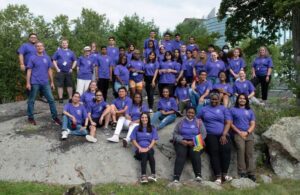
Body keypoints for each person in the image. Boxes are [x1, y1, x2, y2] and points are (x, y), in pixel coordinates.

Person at [197, 91, 232, 184]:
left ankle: (225, 174)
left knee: (226, 149)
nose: (214, 101)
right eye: (212, 99)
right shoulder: (204, 109)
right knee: (214, 151)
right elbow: (197, 119)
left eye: (216, 99)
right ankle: (218, 176)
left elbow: (228, 122)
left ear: (219, 100)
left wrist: (224, 134)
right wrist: (201, 129)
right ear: (209, 100)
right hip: (210, 134)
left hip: (223, 134)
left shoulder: (223, 109)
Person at [26, 41, 61, 126]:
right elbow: (29, 70)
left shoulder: (47, 57)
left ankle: (55, 117)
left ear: (43, 48)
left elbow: (49, 70)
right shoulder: (32, 58)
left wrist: (52, 82)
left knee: (51, 100)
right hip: (34, 82)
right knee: (31, 100)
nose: (39, 47)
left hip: (45, 82)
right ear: (36, 48)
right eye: (38, 46)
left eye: (41, 46)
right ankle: (30, 117)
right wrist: (28, 83)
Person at [172, 107, 207, 182]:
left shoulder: (199, 122)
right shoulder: (181, 122)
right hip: (182, 141)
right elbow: (175, 133)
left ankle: (198, 175)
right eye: (189, 112)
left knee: (195, 152)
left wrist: (194, 142)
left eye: (192, 113)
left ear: (195, 114)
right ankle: (176, 177)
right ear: (186, 112)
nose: (190, 114)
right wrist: (181, 140)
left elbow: (203, 134)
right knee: (181, 154)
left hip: (196, 141)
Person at [230, 94, 256, 181]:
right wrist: (239, 132)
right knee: (241, 150)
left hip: (248, 134)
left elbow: (252, 124)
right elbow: (230, 123)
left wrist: (247, 132)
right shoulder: (233, 110)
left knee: (249, 153)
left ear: (246, 100)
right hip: (238, 133)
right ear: (237, 100)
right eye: (240, 98)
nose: (242, 100)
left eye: (244, 99)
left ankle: (251, 173)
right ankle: (242, 172)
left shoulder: (250, 111)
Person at [130, 112, 159, 184]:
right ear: (140, 119)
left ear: (148, 119)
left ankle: (151, 175)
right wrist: (139, 147)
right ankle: (145, 176)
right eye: (142, 117)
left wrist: (148, 148)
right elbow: (133, 140)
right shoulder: (136, 128)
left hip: (149, 149)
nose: (144, 119)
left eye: (146, 117)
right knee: (144, 153)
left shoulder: (152, 128)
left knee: (148, 152)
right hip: (139, 150)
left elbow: (154, 140)